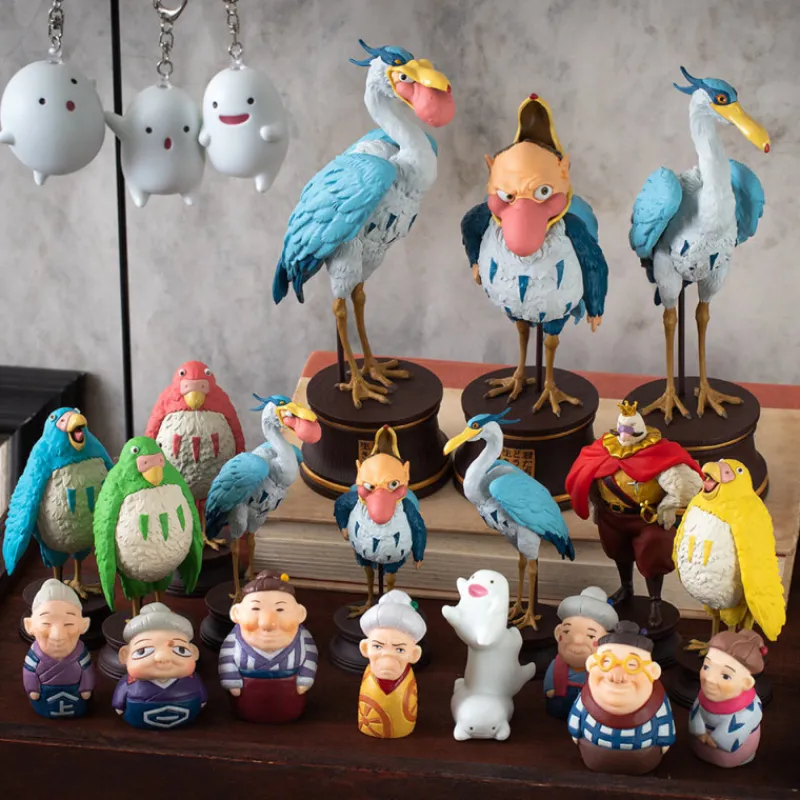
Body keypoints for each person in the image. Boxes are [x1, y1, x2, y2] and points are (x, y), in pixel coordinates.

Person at [566, 400, 703, 627]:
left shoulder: (659, 453)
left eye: (630, 430)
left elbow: (682, 483)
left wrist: (670, 503)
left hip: (646, 518)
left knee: (653, 557)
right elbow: (587, 471)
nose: (625, 435)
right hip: (612, 515)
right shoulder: (604, 449)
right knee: (618, 551)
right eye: (622, 429)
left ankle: (655, 600)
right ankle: (626, 587)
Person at [568, 620, 675, 775]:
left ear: (652, 671)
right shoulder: (586, 696)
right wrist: (575, 732)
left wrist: (665, 741)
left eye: (632, 665)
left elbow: (665, 723)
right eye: (606, 661)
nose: (616, 676)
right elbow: (576, 715)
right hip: (593, 752)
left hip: (643, 756)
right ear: (591, 664)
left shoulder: (658, 702)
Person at [220, 570, 318, 723]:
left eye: (280, 609)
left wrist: (305, 678)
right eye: (255, 609)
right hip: (247, 696)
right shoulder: (234, 639)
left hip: (288, 695)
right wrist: (231, 679)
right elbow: (226, 659)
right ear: (236, 613)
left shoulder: (302, 637)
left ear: (300, 614)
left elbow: (310, 655)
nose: (267, 623)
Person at [113, 602, 206, 729]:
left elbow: (202, 696)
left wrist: (202, 700)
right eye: (143, 651)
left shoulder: (192, 680)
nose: (162, 658)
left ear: (194, 653)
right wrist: (118, 704)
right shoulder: (129, 684)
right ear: (125, 655)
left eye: (180, 650)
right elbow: (119, 699)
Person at [689, 630, 765, 768]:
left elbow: (735, 731)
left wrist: (716, 740)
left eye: (725, 676)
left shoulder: (750, 708)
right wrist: (698, 730)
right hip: (701, 746)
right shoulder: (703, 696)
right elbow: (696, 712)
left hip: (732, 754)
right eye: (706, 667)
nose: (709, 678)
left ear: (746, 683)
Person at [358, 590, 426, 739]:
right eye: (377, 646)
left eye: (400, 650)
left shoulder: (407, 680)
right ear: (365, 648)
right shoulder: (369, 678)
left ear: (414, 654)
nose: (387, 655)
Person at [22, 579, 94, 719]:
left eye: (68, 624)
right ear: (29, 625)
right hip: (44, 694)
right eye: (46, 624)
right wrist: (33, 688)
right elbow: (29, 673)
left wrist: (86, 687)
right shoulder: (34, 656)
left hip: (75, 693)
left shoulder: (81, 653)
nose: (57, 635)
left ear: (84, 625)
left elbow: (87, 672)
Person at [544, 586, 618, 720]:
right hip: (562, 697)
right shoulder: (557, 664)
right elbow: (550, 678)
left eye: (590, 636)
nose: (577, 641)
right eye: (567, 632)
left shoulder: (602, 668)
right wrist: (549, 688)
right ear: (558, 634)